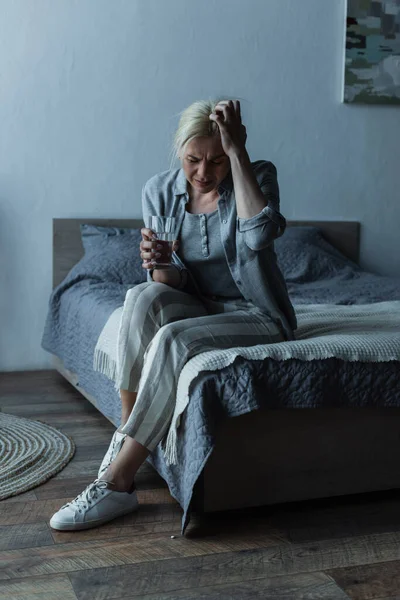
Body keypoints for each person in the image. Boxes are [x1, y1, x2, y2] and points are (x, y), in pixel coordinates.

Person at [49, 98, 297, 532]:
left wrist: (237, 152)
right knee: (140, 297)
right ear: (178, 151)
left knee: (174, 340)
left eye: (216, 160)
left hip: (257, 314)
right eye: (193, 160)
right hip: (199, 303)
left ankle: (118, 481)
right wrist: (159, 263)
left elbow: (258, 237)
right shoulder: (159, 191)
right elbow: (168, 283)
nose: (203, 173)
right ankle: (127, 434)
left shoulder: (258, 175)